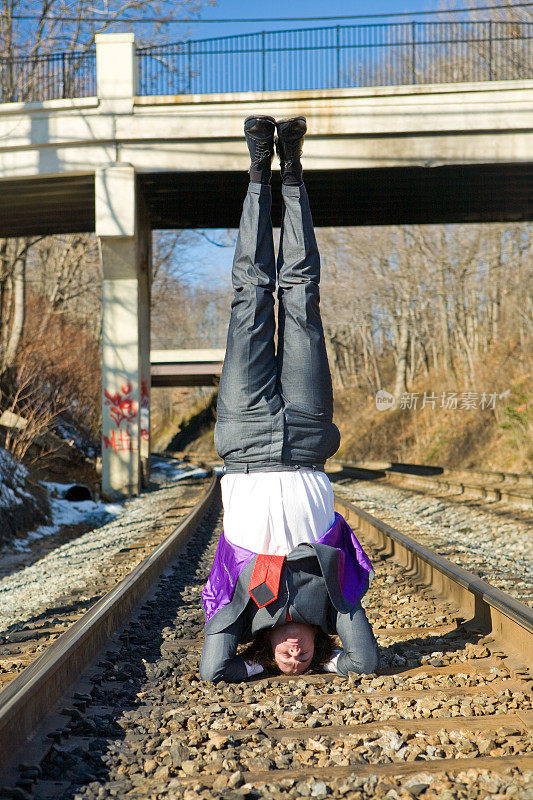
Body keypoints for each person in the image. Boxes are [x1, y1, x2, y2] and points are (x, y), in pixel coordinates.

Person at [199, 115, 380, 683]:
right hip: (305, 436)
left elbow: (212, 669)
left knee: (250, 301)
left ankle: (259, 172)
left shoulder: (242, 603)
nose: (294, 658)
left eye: (286, 660)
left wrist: (253, 666)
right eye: (302, 660)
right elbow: (366, 662)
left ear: (266, 647)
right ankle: (293, 173)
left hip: (245, 436)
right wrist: (329, 660)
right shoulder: (331, 595)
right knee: (302, 302)